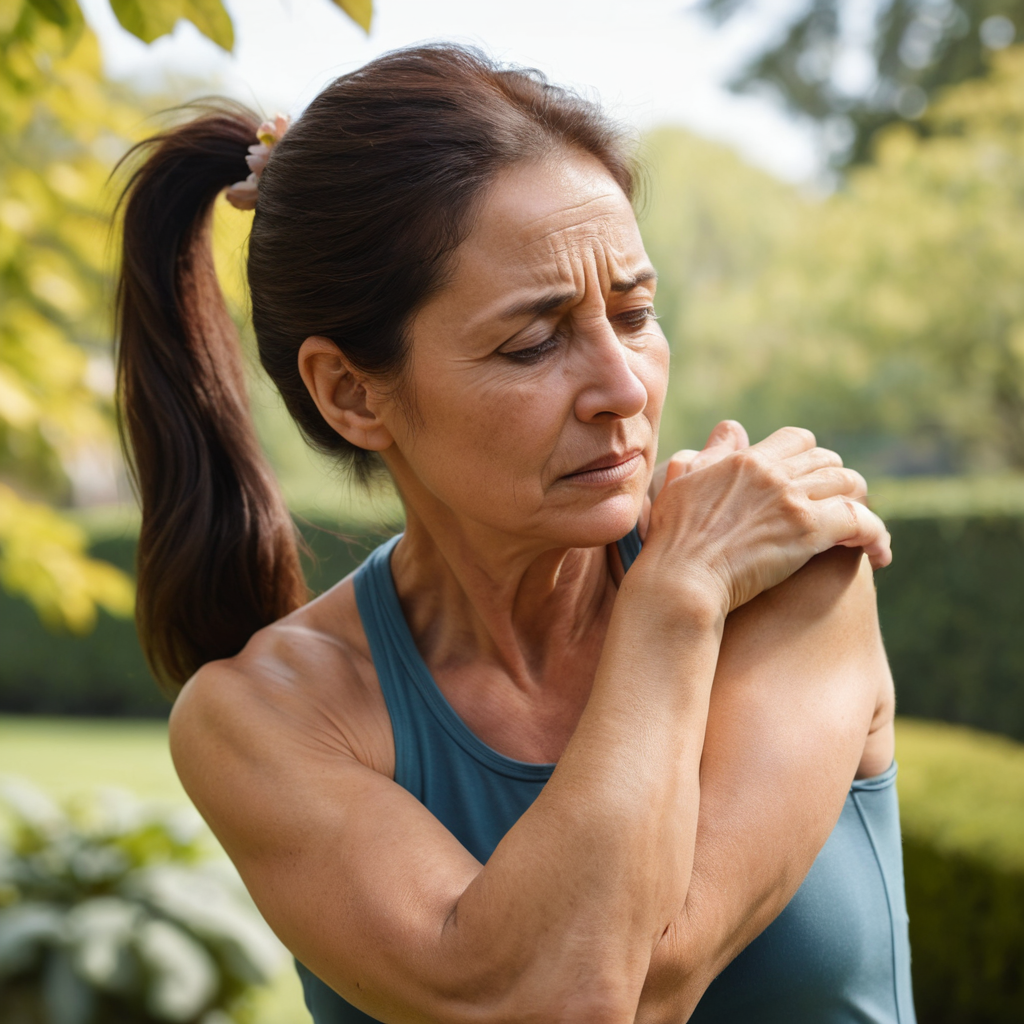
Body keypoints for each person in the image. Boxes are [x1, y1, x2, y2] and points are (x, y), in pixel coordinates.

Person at [114, 45, 915, 1023]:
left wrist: (692, 586)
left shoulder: (791, 582)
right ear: (352, 393)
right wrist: (671, 602)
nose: (624, 390)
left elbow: (659, 966)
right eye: (533, 341)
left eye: (633, 312)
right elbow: (568, 997)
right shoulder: (267, 719)